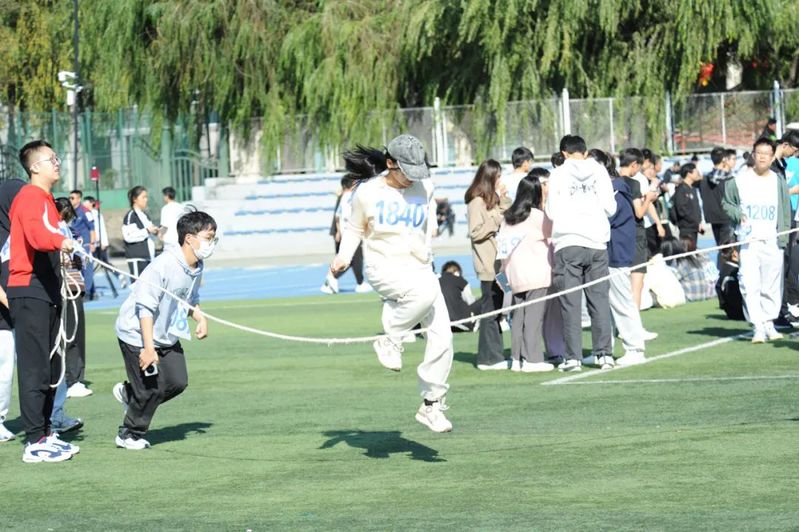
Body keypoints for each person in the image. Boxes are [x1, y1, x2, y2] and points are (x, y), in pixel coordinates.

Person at [330, 134, 454, 433]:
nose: (413, 178)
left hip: (419, 265)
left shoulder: (424, 187)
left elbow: (426, 227)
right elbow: (354, 228)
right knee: (424, 294)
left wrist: (428, 248)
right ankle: (391, 337)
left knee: (443, 337)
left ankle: (431, 404)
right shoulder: (367, 193)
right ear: (390, 163)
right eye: (407, 172)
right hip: (383, 265)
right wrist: (344, 257)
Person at [112, 211, 215, 449]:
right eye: (208, 237)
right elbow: (145, 308)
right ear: (189, 238)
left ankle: (130, 394)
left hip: (166, 335)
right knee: (151, 390)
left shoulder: (197, 266)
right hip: (137, 334)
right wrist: (148, 349)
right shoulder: (163, 265)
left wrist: (199, 317)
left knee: (178, 381)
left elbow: (190, 298)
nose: (211, 243)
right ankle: (129, 434)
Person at [8, 140, 78, 462]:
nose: (57, 162)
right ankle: (34, 441)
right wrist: (62, 241)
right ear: (35, 167)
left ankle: (46, 432)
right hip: (29, 289)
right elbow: (38, 236)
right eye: (52, 159)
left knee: (50, 366)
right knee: (34, 367)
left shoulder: (46, 200)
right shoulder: (29, 197)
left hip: (47, 290)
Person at [545, 135, 616, 372]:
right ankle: (604, 355)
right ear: (584, 152)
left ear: (563, 154)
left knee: (570, 304)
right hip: (597, 242)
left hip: (569, 242)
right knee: (600, 301)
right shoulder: (600, 170)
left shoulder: (558, 174)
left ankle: (573, 358)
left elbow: (551, 211)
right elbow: (611, 207)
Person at [723, 137, 792, 343]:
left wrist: (784, 235)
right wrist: (738, 215)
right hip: (748, 241)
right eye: (759, 153)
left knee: (771, 284)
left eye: (766, 154)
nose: (762, 157)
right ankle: (758, 326)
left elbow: (785, 209)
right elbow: (727, 203)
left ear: (772, 157)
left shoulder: (778, 181)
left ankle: (769, 322)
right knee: (749, 283)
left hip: (772, 240)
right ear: (753, 155)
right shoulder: (739, 180)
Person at [588, 149, 648, 367]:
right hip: (605, 252)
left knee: (622, 302)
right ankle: (604, 349)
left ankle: (635, 348)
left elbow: (610, 218)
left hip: (616, 253)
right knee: (604, 305)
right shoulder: (609, 188)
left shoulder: (617, 189)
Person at [496, 171, 555, 372]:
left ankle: (516, 358)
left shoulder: (507, 218)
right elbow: (552, 233)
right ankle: (532, 359)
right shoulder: (537, 216)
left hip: (514, 274)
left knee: (519, 316)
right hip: (537, 273)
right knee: (534, 318)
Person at [466, 159, 512, 370]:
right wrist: (495, 220)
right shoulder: (476, 202)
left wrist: (503, 198)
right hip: (487, 264)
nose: (500, 180)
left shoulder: (492, 199)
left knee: (499, 309)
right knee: (490, 310)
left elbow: (507, 213)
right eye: (498, 176)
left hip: (499, 263)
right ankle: (488, 358)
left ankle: (495, 354)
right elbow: (475, 232)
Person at [49, 197, 85, 433]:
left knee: (61, 347)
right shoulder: (50, 227)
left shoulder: (62, 228)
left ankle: (56, 415)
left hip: (66, 286)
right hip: (47, 294)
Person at [618, 148, 660, 340]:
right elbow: (639, 212)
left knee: (619, 285)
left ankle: (621, 326)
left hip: (618, 235)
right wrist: (649, 198)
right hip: (635, 234)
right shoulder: (633, 183)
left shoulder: (610, 181)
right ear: (634, 165)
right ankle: (633, 328)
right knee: (637, 283)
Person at [0, 177, 26, 442]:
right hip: (5, 315)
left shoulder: (19, 230)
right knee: (4, 367)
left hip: (18, 313)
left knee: (9, 370)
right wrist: (13, 304)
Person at [321, 175, 371, 294]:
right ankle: (333, 278)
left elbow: (338, 216)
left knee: (352, 260)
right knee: (354, 259)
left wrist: (339, 231)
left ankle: (357, 282)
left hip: (346, 232)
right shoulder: (351, 197)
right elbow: (352, 216)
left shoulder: (344, 197)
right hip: (352, 233)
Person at [661, 237, 716, 302]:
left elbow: (669, 282)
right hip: (703, 296)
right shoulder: (695, 260)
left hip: (689, 298)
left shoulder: (680, 264)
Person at [700, 147, 736, 247]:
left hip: (712, 216)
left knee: (720, 246)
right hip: (726, 216)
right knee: (728, 248)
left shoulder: (704, 179)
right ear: (724, 159)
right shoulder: (728, 178)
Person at [122, 186, 158, 279]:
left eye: (147, 197)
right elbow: (128, 236)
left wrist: (156, 232)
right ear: (135, 199)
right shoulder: (131, 216)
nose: (146, 200)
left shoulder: (145, 215)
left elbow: (149, 233)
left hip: (149, 257)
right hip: (137, 259)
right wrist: (147, 230)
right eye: (143, 197)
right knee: (138, 286)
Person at [69, 189, 96, 300]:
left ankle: (88, 293)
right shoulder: (70, 211)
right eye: (69, 197)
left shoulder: (85, 211)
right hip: (75, 245)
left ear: (79, 199)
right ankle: (91, 291)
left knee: (87, 269)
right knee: (79, 269)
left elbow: (92, 228)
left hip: (85, 245)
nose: (70, 200)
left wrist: (92, 243)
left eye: (72, 198)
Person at [438, 261, 479, 332]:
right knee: (484, 302)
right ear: (457, 271)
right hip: (461, 321)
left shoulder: (436, 281)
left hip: (441, 323)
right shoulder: (461, 281)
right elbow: (470, 301)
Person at [670, 163, 704, 246]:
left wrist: (699, 222)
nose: (698, 173)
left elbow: (696, 207)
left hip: (694, 227)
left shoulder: (692, 188)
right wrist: (695, 222)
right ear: (689, 173)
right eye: (696, 171)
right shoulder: (681, 189)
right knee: (686, 251)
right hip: (686, 228)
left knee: (693, 249)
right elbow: (682, 210)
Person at [716, 243, 745, 320]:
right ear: (734, 254)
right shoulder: (731, 272)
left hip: (733, 312)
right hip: (738, 313)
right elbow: (734, 298)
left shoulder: (725, 270)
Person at [159, 186, 186, 251]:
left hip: (169, 240)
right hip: (180, 239)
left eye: (164, 196)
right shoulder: (181, 207)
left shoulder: (165, 208)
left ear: (167, 196)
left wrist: (160, 234)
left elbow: (165, 226)